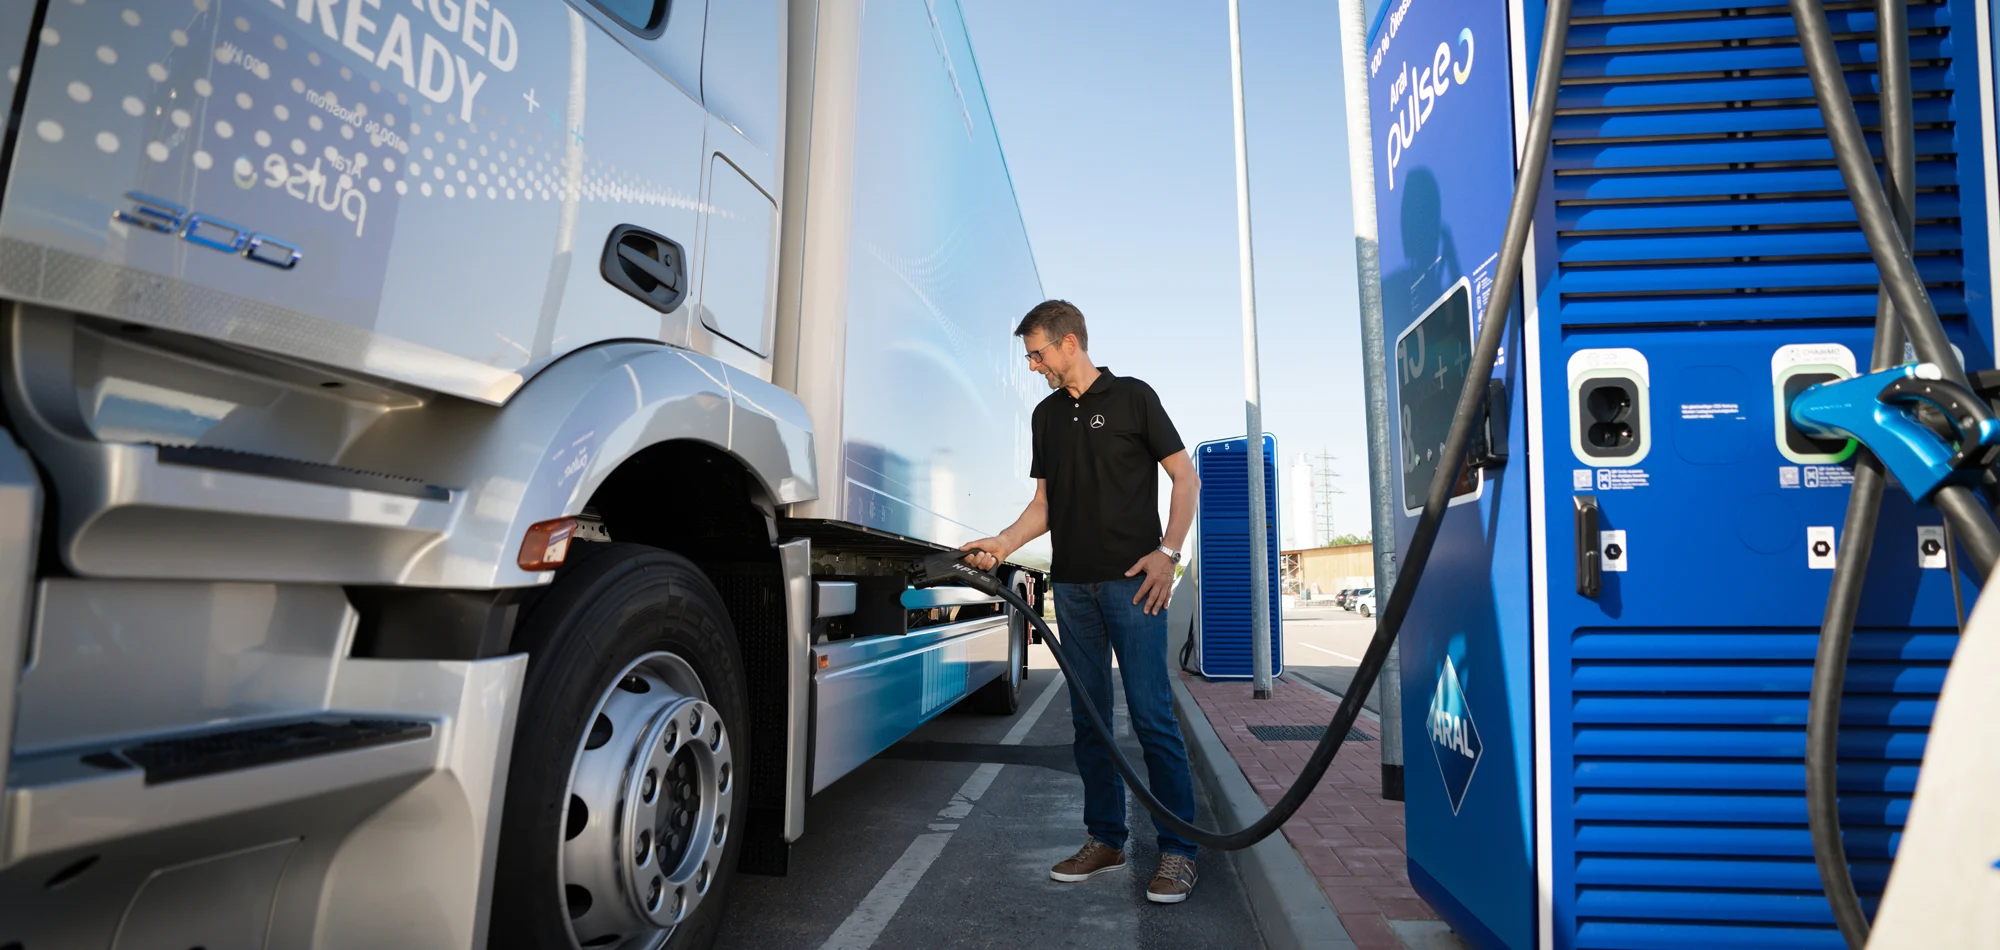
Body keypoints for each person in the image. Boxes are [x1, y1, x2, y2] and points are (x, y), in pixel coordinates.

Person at [961, 299, 1203, 904]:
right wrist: (1002, 542)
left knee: (1151, 718)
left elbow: (1185, 477)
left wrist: (1167, 553)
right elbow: (1043, 506)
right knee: (1088, 722)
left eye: (1038, 353)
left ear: (1070, 343)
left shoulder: (1133, 398)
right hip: (1071, 591)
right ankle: (1107, 839)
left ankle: (1178, 852)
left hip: (1135, 587)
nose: (1035, 365)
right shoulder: (1045, 416)